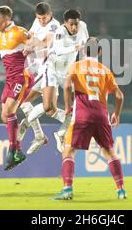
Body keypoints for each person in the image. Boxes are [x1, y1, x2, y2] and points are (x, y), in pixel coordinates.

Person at [53, 37, 126, 200]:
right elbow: (119, 96)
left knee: (69, 150)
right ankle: (121, 190)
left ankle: (67, 189)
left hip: (82, 115)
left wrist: (67, 106)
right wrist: (117, 114)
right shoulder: (105, 70)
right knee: (109, 152)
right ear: (99, 52)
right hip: (101, 115)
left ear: (83, 50)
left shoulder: (76, 67)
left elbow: (66, 87)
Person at [18, 8, 89, 154]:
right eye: (71, 24)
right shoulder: (59, 32)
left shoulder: (83, 27)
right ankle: (26, 123)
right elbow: (58, 50)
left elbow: (85, 47)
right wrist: (75, 47)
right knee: (47, 106)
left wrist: (84, 64)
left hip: (68, 73)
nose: (74, 27)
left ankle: (61, 133)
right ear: (65, 23)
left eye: (76, 24)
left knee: (77, 107)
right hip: (52, 70)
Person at [0, 5, 33, 171]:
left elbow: (35, 40)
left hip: (21, 77)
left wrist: (31, 46)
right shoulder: (0, 33)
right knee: (4, 116)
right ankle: (18, 151)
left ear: (6, 19)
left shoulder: (19, 32)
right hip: (10, 79)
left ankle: (12, 150)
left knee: (9, 111)